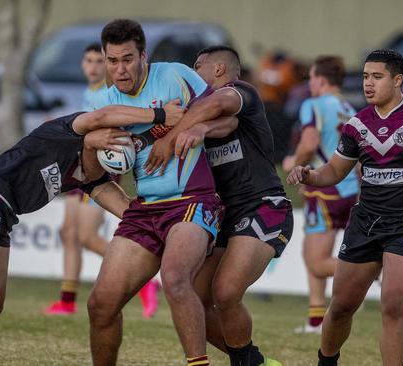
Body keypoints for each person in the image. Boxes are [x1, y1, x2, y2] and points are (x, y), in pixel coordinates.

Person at [0, 101, 185, 366]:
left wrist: (172, 223)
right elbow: (101, 116)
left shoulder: (94, 180)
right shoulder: (70, 130)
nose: (112, 142)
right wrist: (160, 115)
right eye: (112, 137)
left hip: (5, 213)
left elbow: (131, 212)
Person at [87, 20, 238, 366]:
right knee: (100, 304)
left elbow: (229, 119)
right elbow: (93, 176)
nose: (120, 70)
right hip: (144, 209)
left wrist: (198, 127)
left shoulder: (175, 77)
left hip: (193, 201)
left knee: (175, 278)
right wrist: (98, 147)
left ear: (143, 55)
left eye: (128, 59)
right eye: (112, 61)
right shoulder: (105, 102)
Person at [146, 45, 292, 366]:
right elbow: (222, 124)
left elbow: (221, 108)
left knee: (226, 293)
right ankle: (252, 360)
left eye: (197, 67)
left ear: (219, 70)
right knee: (195, 300)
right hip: (223, 216)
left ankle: (244, 363)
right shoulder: (202, 111)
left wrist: (174, 135)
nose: (191, 75)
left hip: (263, 206)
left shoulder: (241, 92)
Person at [287, 49, 403, 366]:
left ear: (398, 80)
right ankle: (326, 360)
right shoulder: (356, 124)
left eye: (377, 77)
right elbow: (335, 171)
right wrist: (310, 174)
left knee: (394, 303)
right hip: (365, 221)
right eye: (366, 77)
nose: (368, 84)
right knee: (341, 306)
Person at [45, 43, 160, 317]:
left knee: (85, 236)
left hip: (99, 171)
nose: (94, 66)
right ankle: (67, 299)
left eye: (100, 61)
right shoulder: (89, 92)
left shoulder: (110, 95)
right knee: (69, 233)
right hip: (80, 167)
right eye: (89, 61)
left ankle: (143, 280)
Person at [282, 56, 359, 334]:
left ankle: (373, 271)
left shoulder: (313, 105)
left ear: (321, 80)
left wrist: (294, 162)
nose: (309, 84)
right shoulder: (350, 109)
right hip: (349, 190)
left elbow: (310, 142)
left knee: (315, 259)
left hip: (326, 189)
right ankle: (316, 320)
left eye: (311, 78)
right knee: (314, 254)